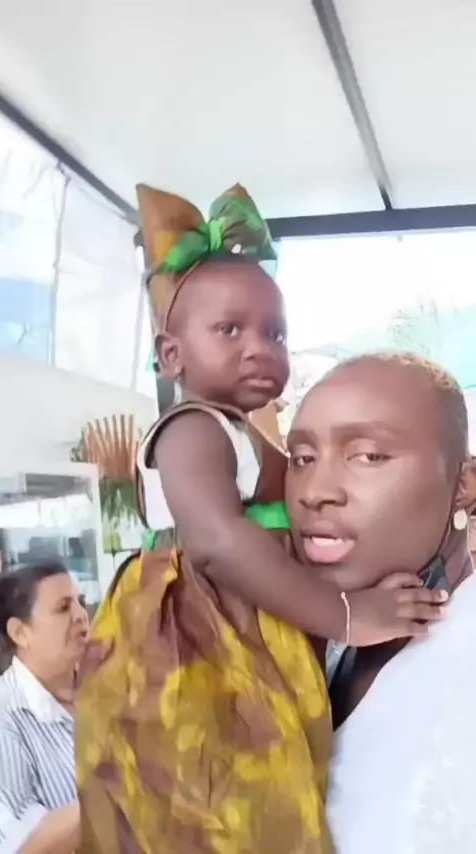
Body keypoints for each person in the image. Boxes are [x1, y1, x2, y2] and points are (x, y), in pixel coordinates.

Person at [76, 187, 445, 854]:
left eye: (274, 334)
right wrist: (347, 614)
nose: (259, 349)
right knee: (219, 797)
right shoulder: (191, 428)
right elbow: (219, 544)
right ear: (172, 356)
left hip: (243, 631)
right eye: (230, 330)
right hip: (197, 647)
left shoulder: (239, 431)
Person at [285, 352, 476, 854]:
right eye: (301, 459)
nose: (315, 492)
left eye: (368, 456)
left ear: (463, 485)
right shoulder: (314, 641)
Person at [0, 562, 89, 853]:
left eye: (80, 602)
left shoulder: (113, 687)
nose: (81, 615)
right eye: (63, 608)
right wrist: (127, 790)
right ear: (20, 633)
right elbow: (21, 843)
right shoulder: (3, 713)